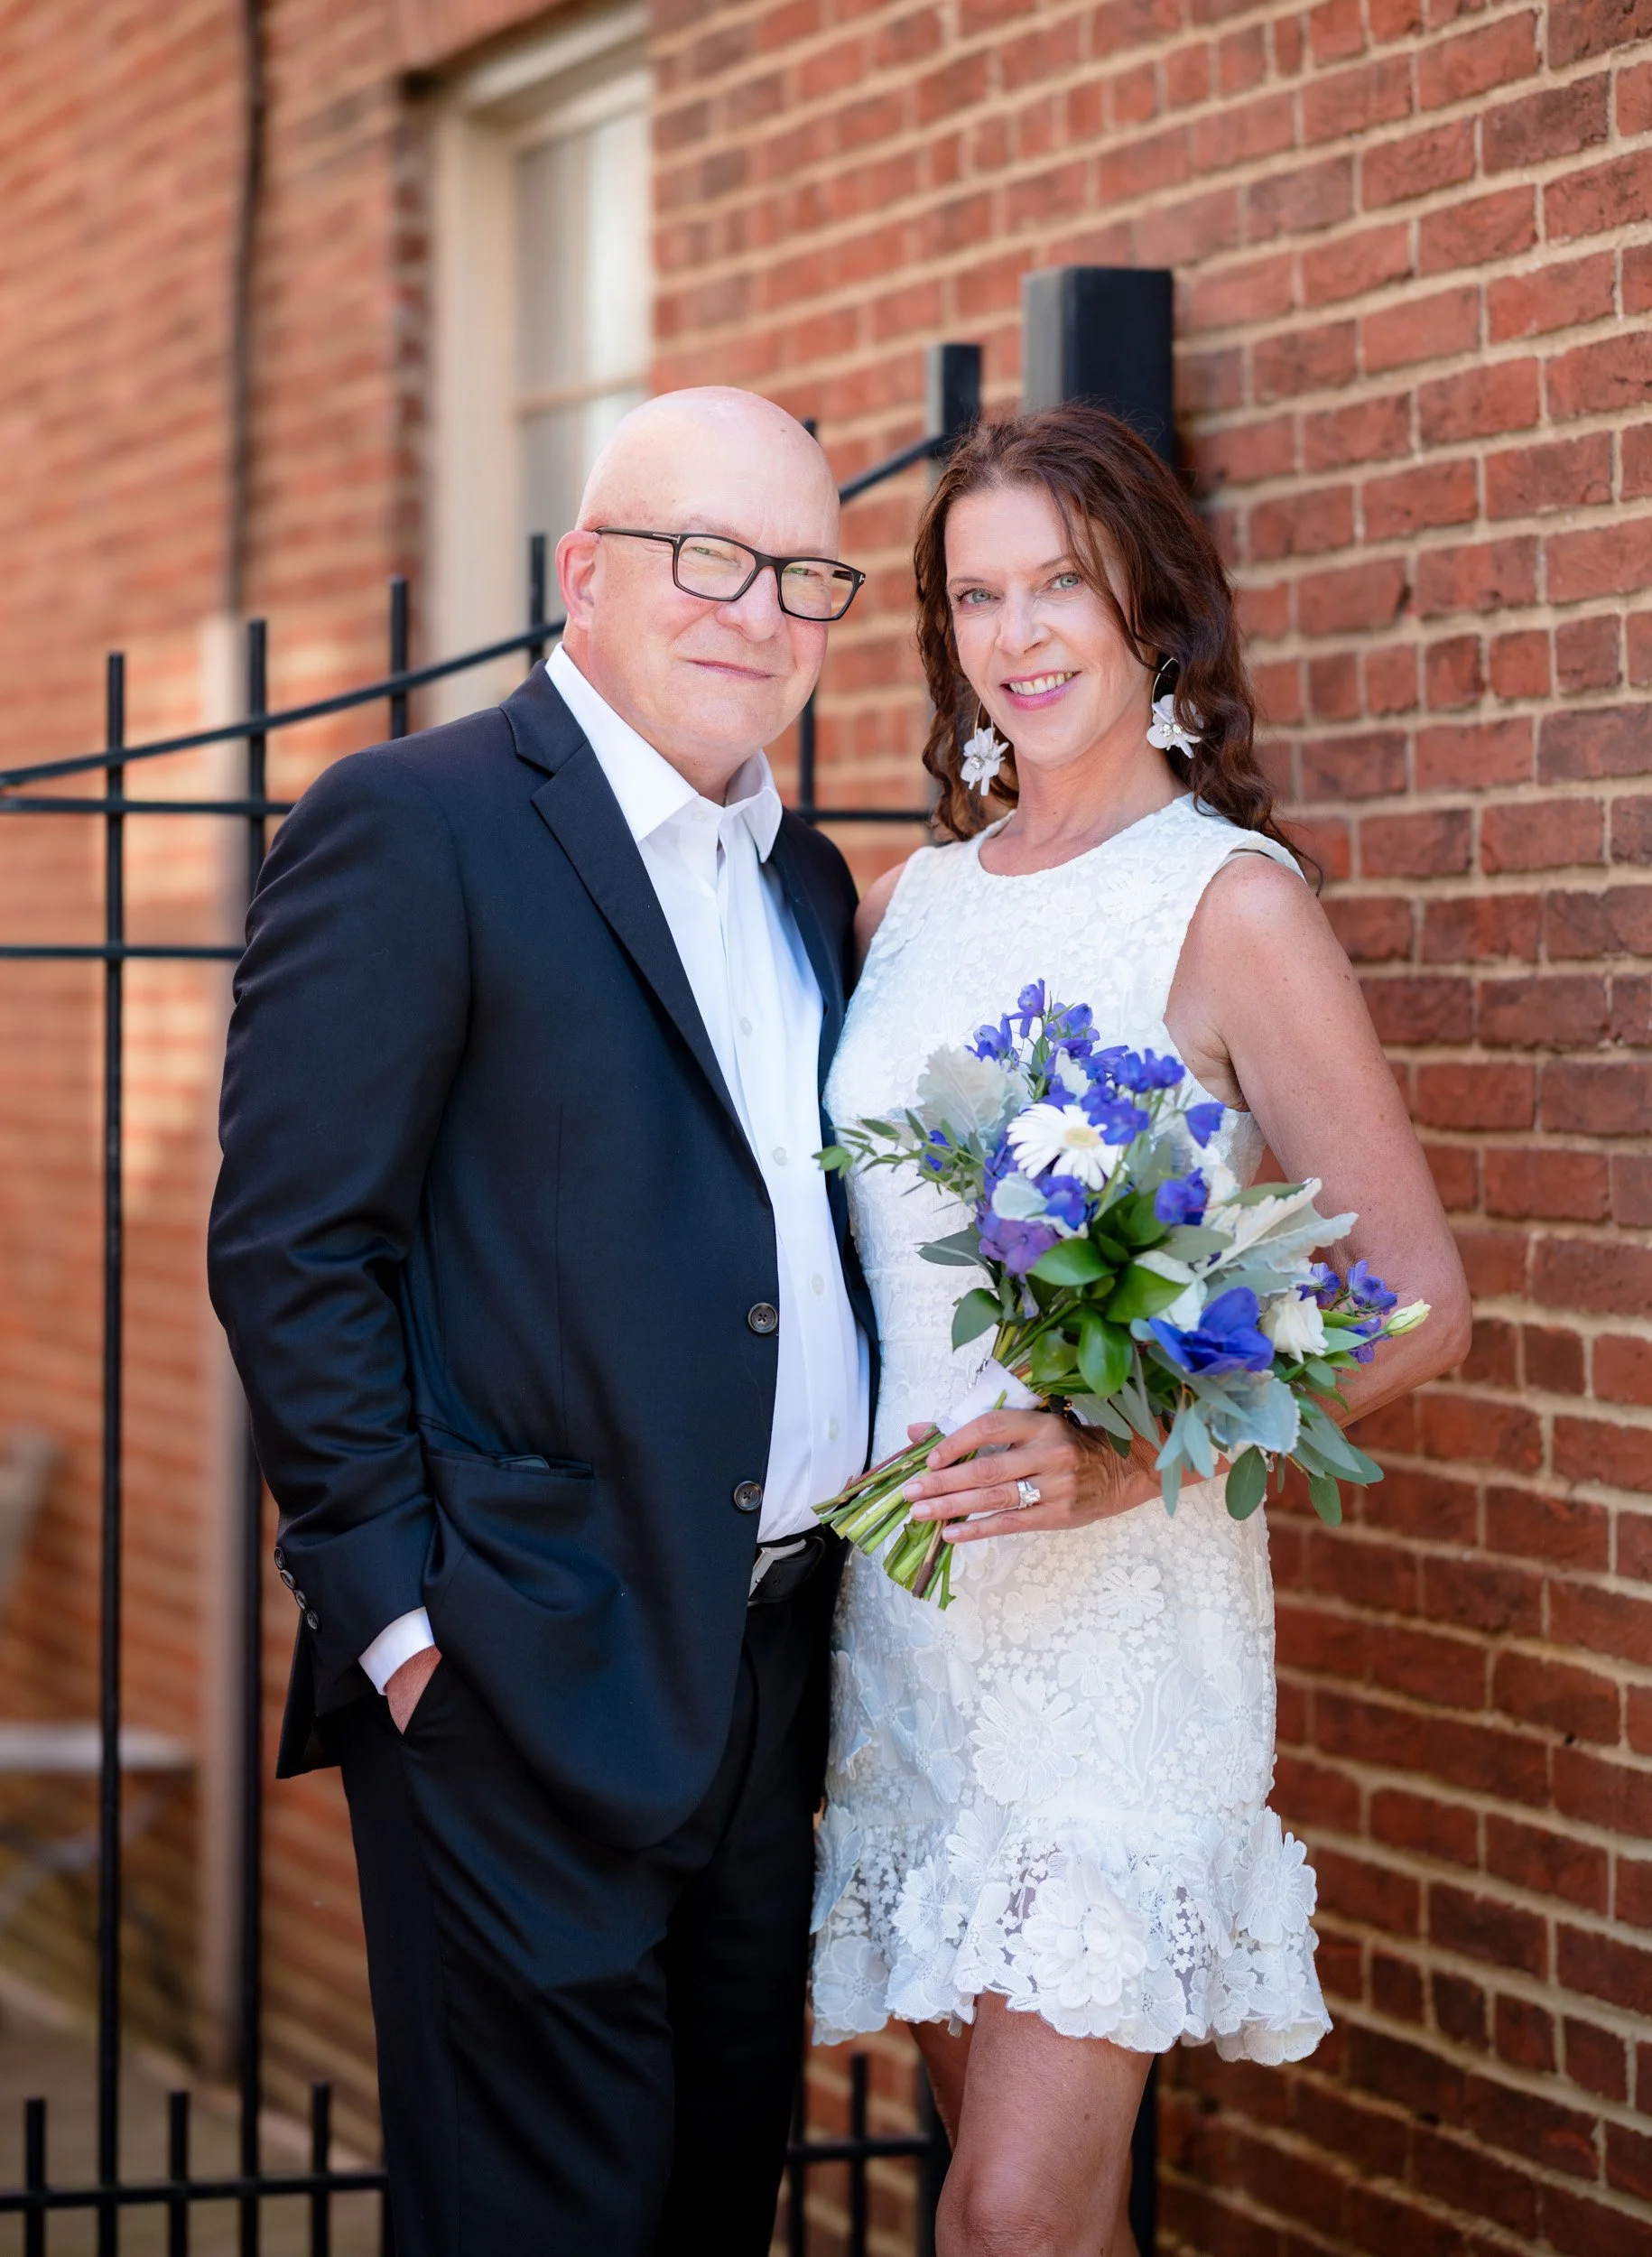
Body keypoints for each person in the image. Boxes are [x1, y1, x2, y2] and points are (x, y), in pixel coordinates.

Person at [208, 388, 875, 2256]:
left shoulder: (806, 880)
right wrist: (403, 1617)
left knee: (703, 2207)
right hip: (515, 1664)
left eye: (807, 575)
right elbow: (291, 1243)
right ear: (585, 572)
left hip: (768, 1671)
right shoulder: (415, 826)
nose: (761, 610)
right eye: (710, 558)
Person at [810, 404, 1471, 2257]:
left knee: (1005, 2219)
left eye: (1060, 588)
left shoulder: (1232, 906)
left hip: (1119, 1644)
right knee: (1045, 2214)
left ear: (1153, 617)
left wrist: (1121, 1455)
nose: (1017, 635)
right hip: (916, 1637)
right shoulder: (898, 910)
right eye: (975, 594)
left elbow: (1416, 1294)